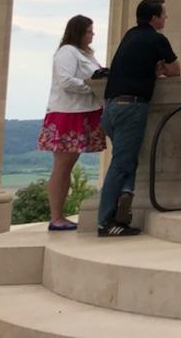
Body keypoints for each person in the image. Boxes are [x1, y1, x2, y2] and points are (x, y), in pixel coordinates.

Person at [98, 0, 181, 237]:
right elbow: (175, 70)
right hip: (130, 107)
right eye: (163, 14)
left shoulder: (129, 35)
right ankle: (106, 222)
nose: (166, 18)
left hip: (111, 107)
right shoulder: (156, 39)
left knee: (127, 160)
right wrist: (161, 70)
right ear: (154, 18)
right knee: (121, 163)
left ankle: (123, 210)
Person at [38, 14, 106, 231]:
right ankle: (56, 216)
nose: (92, 34)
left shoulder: (85, 54)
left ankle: (59, 215)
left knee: (67, 165)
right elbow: (65, 80)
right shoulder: (67, 52)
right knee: (63, 166)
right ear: (79, 32)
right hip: (69, 113)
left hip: (83, 111)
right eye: (88, 31)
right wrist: (93, 87)